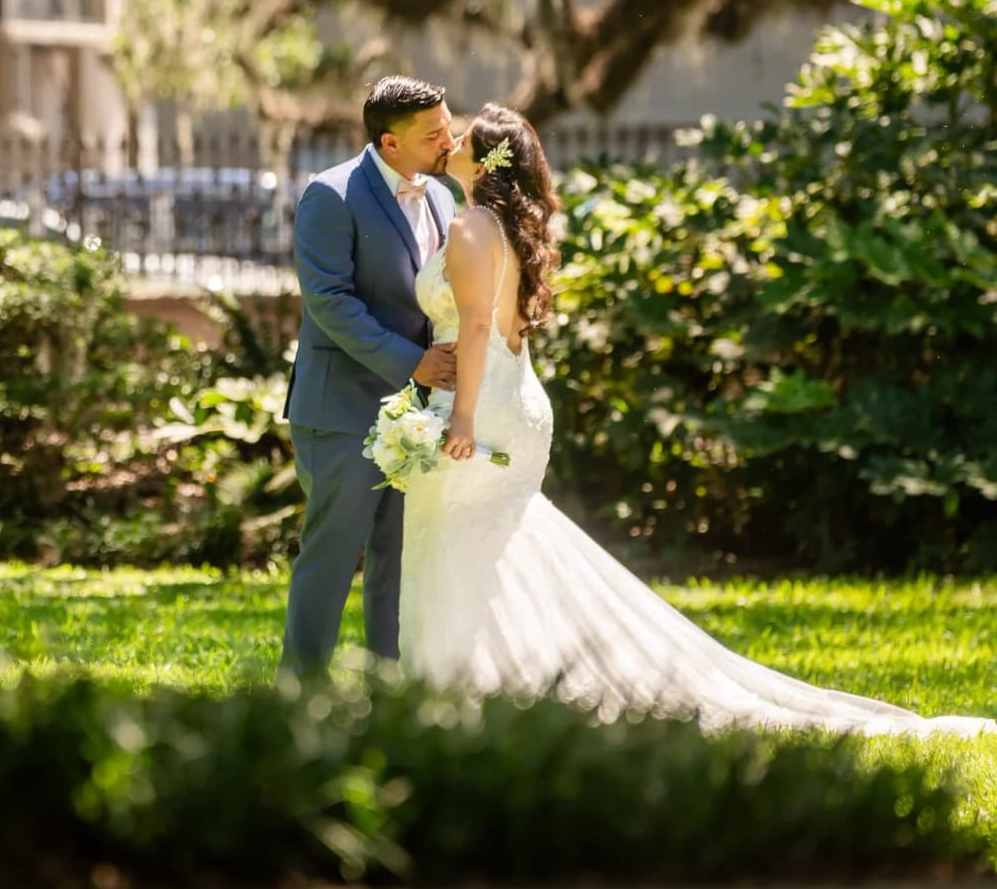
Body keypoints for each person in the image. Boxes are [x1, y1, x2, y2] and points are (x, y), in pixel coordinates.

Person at [397, 102, 993, 736]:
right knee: (500, 545)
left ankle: (457, 694)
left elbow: (478, 326)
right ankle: (498, 686)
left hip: (481, 402)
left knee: (459, 538)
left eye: (463, 136)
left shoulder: (471, 227)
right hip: (517, 400)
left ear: (486, 159)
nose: (450, 139)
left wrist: (462, 419)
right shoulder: (511, 231)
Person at [282, 75, 458, 673]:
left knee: (399, 561)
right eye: (434, 134)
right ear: (390, 142)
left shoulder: (442, 197)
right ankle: (299, 691)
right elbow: (330, 303)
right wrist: (413, 362)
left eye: (448, 126)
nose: (449, 141)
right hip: (342, 411)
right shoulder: (330, 195)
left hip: (419, 414)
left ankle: (388, 688)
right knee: (332, 558)